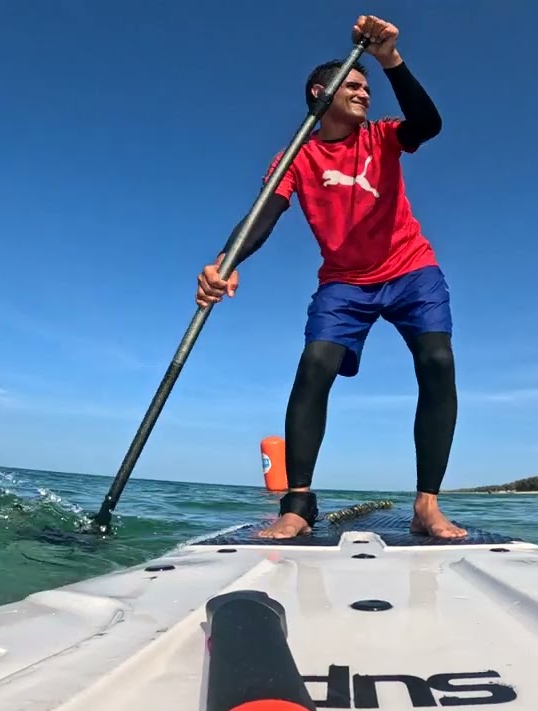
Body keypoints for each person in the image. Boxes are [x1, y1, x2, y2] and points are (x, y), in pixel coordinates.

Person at [195, 15, 465, 539]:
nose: (367, 92)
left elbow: (428, 125)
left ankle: (427, 505)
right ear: (321, 92)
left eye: (370, 84)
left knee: (436, 359)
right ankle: (297, 505)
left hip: (412, 268)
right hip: (344, 281)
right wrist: (224, 263)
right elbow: (263, 216)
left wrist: (391, 61)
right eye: (356, 84)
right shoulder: (296, 156)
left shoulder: (384, 136)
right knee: (315, 365)